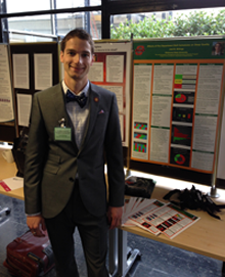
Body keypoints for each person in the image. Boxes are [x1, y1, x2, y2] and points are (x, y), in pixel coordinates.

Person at [24, 28, 125, 277]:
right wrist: (33, 209)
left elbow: (114, 157)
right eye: (71, 53)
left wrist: (117, 203)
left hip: (93, 201)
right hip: (55, 200)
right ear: (61, 55)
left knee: (98, 266)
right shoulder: (42, 101)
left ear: (93, 59)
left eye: (85, 54)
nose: (77, 61)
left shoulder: (108, 100)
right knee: (64, 264)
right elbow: (34, 158)